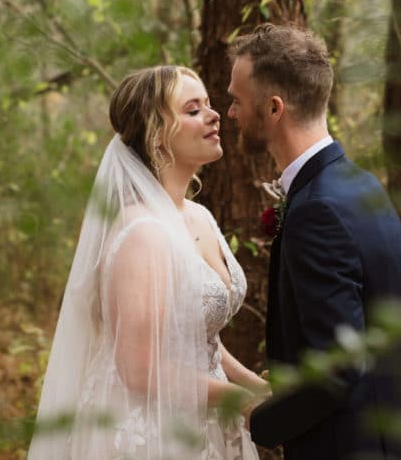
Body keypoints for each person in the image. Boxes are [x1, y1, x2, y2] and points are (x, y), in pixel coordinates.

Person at [27, 66, 267, 460]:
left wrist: (253, 385)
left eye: (209, 104)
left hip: (203, 416)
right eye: (192, 110)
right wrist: (236, 399)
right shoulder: (142, 233)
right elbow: (139, 369)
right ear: (158, 137)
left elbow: (197, 335)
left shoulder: (199, 217)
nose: (214, 114)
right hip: (148, 432)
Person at [227, 24, 401, 460]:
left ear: (274, 109)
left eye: (237, 100)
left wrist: (260, 419)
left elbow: (339, 369)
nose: (231, 114)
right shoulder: (360, 183)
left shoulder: (318, 209)